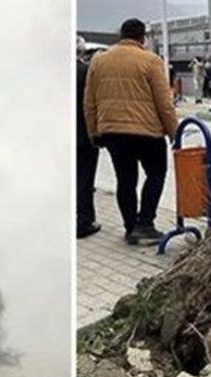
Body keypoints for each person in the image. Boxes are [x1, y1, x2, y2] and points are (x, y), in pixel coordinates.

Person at [83, 19, 179, 245]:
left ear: (120, 35)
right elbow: (164, 103)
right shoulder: (151, 61)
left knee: (125, 181)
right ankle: (145, 223)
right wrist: (174, 134)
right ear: (142, 38)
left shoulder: (99, 61)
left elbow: (89, 102)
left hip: (113, 133)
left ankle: (130, 227)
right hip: (148, 132)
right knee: (156, 173)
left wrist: (93, 132)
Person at [76, 38, 101, 239]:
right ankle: (84, 221)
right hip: (84, 136)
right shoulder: (86, 73)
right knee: (84, 180)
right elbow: (94, 105)